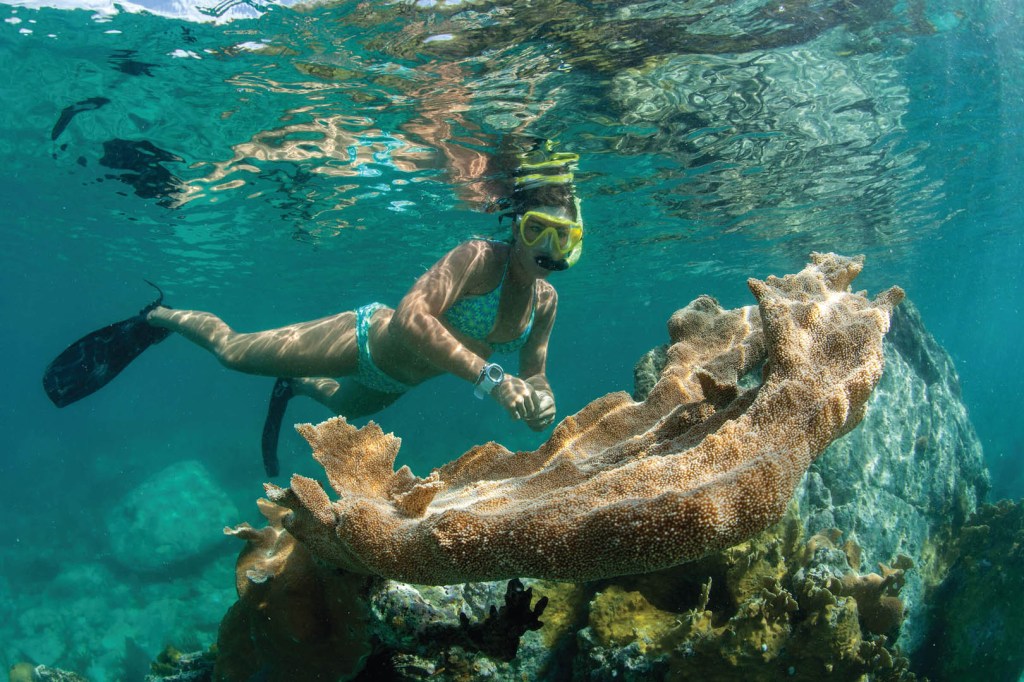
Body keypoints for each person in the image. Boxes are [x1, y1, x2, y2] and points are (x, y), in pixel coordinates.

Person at [42, 149, 584, 477]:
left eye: (565, 237)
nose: (549, 248)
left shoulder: (547, 301)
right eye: (538, 228)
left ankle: (293, 383)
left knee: (343, 413)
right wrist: (490, 377)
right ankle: (159, 317)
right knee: (232, 351)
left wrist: (542, 395)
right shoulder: (475, 260)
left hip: (394, 381)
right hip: (364, 341)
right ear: (515, 225)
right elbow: (412, 317)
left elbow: (535, 366)